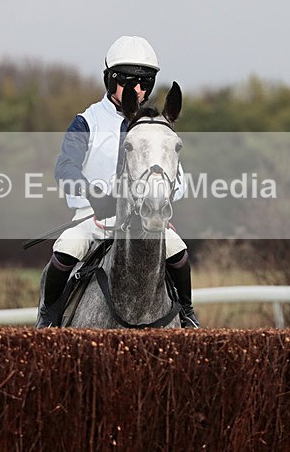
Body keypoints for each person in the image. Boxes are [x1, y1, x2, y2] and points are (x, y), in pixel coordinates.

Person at [35, 35, 200, 328]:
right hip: (92, 220)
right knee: (67, 249)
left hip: (145, 224)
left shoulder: (155, 127)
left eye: (144, 83)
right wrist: (91, 194)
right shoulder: (87, 121)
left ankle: (187, 314)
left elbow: (178, 179)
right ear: (110, 80)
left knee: (179, 252)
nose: (136, 89)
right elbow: (65, 167)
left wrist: (160, 205)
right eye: (127, 80)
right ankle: (47, 321)